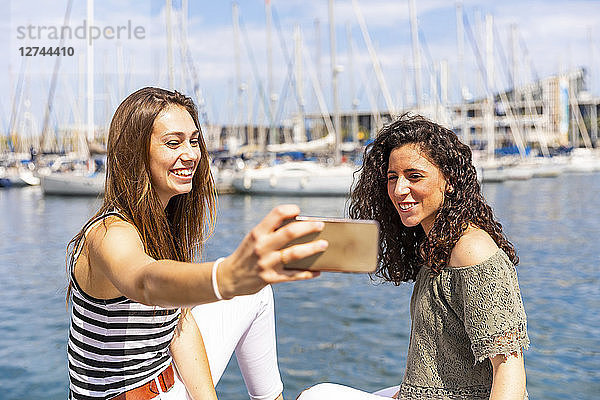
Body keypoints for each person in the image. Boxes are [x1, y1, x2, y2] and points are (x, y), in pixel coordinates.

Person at [66, 87, 328, 400]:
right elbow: (145, 282)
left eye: (193, 141)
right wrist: (226, 277)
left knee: (254, 295)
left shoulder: (162, 227)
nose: (191, 154)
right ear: (135, 153)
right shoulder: (108, 233)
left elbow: (179, 322)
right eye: (173, 142)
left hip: (166, 384)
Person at [298, 114, 529, 399]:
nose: (399, 190)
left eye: (414, 176)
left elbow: (509, 366)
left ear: (450, 181)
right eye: (392, 177)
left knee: (314, 396)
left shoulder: (473, 251)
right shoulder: (436, 244)